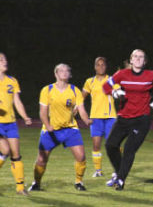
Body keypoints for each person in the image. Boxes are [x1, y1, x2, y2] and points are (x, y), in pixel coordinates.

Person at [103, 49, 153, 190]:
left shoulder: (151, 75)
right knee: (110, 145)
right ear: (130, 60)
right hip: (123, 118)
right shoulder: (122, 74)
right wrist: (114, 92)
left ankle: (121, 180)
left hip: (141, 120)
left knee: (129, 149)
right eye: (135, 56)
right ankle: (119, 173)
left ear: (145, 61)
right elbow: (106, 86)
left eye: (141, 57)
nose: (138, 59)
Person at [28, 63, 92, 192]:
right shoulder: (47, 90)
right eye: (61, 70)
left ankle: (79, 182)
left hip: (70, 129)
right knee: (41, 159)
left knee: (81, 157)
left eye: (66, 70)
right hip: (51, 130)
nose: (64, 72)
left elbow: (81, 110)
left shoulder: (75, 90)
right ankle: (36, 183)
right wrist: (48, 125)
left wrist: (87, 120)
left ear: (70, 74)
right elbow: (42, 112)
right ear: (55, 74)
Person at [0, 52, 32, 195]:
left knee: (15, 155)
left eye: (5, 59)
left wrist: (25, 117)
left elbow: (17, 101)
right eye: (1, 60)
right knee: (5, 150)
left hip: (11, 123)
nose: (4, 61)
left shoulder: (12, 81)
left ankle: (20, 188)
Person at [82, 57, 118, 177]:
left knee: (113, 145)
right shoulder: (89, 82)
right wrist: (76, 108)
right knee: (96, 145)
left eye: (103, 65)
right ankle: (98, 171)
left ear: (106, 66)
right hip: (95, 117)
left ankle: (117, 169)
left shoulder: (112, 80)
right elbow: (81, 98)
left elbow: (119, 94)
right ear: (95, 67)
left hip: (110, 116)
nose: (101, 67)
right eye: (98, 65)